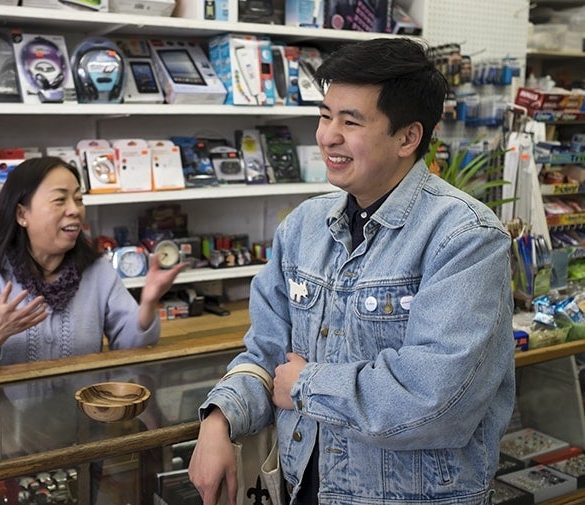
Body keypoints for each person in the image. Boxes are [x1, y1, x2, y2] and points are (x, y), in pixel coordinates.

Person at [188, 37, 514, 505]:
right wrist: (219, 418)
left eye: (351, 121)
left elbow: (436, 402)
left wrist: (306, 385)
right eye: (325, 116)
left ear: (408, 137)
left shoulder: (465, 237)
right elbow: (265, 354)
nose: (327, 136)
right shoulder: (304, 227)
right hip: (306, 489)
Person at [0, 156, 184, 369]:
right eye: (59, 200)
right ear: (21, 214)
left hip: (83, 410)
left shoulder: (98, 272)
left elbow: (131, 350)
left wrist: (147, 305)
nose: (75, 210)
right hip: (6, 413)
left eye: (78, 199)